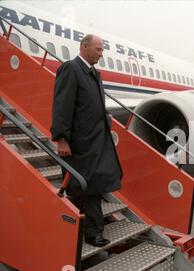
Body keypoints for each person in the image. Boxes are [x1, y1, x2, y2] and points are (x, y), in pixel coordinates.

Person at [51, 34, 123, 247]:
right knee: (85, 188)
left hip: (95, 141)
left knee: (95, 185)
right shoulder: (71, 69)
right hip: (79, 145)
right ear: (84, 47)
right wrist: (61, 139)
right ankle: (91, 233)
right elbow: (62, 106)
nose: (102, 54)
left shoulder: (93, 73)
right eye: (99, 49)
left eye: (102, 50)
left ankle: (85, 229)